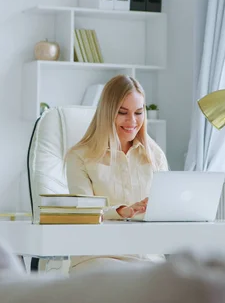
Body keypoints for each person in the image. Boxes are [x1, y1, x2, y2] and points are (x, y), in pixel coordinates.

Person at [64, 74, 169, 275]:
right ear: (107, 112)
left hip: (147, 257)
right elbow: (83, 214)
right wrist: (121, 211)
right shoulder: (80, 157)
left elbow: (165, 212)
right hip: (99, 256)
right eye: (123, 112)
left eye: (139, 112)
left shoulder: (154, 155)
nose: (132, 121)